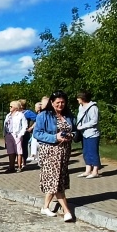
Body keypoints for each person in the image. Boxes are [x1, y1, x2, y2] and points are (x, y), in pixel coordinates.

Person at [34, 90, 75, 222]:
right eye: (58, 102)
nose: (60, 105)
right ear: (52, 102)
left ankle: (45, 207)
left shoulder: (68, 115)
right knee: (56, 181)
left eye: (63, 102)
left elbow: (75, 130)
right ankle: (67, 211)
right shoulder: (43, 116)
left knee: (58, 179)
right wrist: (54, 137)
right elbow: (37, 133)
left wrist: (71, 135)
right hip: (51, 151)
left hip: (64, 151)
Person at [76, 91, 101, 178]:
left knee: (93, 152)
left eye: (79, 97)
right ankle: (87, 170)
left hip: (92, 134)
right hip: (84, 133)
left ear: (83, 98)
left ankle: (95, 171)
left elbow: (94, 121)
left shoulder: (93, 108)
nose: (77, 99)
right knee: (86, 152)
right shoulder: (81, 107)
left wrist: (82, 126)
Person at [4, 101, 27, 172]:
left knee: (18, 151)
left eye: (11, 106)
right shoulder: (8, 115)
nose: (10, 108)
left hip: (17, 134)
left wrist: (20, 134)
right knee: (10, 151)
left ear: (16, 107)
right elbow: (5, 125)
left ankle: (19, 166)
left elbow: (25, 125)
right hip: (9, 134)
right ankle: (11, 167)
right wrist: (5, 134)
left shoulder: (20, 115)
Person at [20, 100, 38, 167]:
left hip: (25, 133)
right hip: (17, 133)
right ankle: (18, 162)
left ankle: (24, 162)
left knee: (24, 147)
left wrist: (31, 127)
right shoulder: (16, 112)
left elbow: (37, 119)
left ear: (22, 106)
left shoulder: (28, 113)